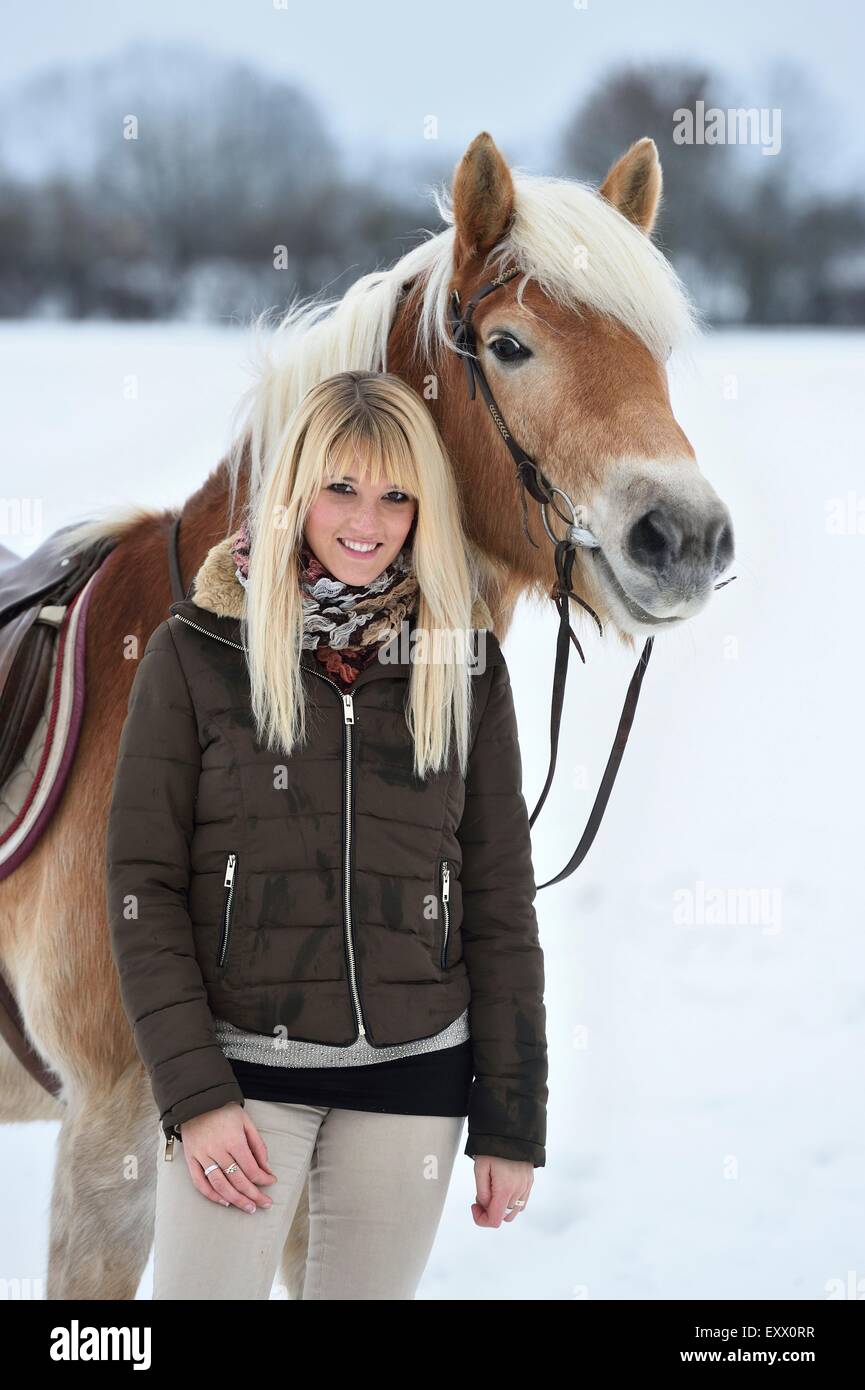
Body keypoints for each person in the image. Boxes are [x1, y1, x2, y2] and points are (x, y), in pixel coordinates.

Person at [106, 369, 548, 1300]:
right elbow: (142, 890)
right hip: (243, 1086)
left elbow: (502, 898)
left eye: (396, 495)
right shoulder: (198, 653)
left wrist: (510, 1121)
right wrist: (196, 1096)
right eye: (341, 487)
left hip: (415, 1080)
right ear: (294, 494)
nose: (368, 520)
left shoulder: (461, 662)